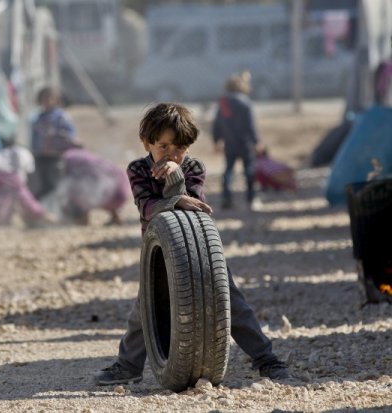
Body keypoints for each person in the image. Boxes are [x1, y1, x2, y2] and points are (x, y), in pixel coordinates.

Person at [93, 103, 290, 386]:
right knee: (144, 311)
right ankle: (128, 366)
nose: (172, 154)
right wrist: (174, 200)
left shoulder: (194, 167)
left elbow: (194, 209)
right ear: (146, 143)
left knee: (230, 301)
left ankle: (266, 359)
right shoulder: (137, 169)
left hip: (200, 252)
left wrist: (176, 177)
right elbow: (146, 207)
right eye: (163, 146)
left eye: (180, 148)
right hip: (158, 252)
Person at [212, 70, 261, 209]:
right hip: (245, 143)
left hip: (230, 143)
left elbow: (217, 124)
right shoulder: (245, 103)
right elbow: (250, 125)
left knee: (228, 171)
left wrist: (217, 141)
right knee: (249, 171)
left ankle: (226, 198)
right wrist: (257, 142)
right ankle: (251, 199)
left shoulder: (223, 103)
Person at [58, 148, 130, 225]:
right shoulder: (83, 156)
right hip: (123, 189)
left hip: (107, 192)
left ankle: (82, 219)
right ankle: (115, 216)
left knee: (77, 186)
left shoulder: (68, 158)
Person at [30, 86, 79, 199]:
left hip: (56, 156)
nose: (46, 101)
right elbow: (34, 138)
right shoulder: (38, 118)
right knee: (43, 184)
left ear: (55, 99)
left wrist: (55, 138)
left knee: (56, 184)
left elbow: (70, 134)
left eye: (49, 98)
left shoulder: (61, 116)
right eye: (44, 98)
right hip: (41, 156)